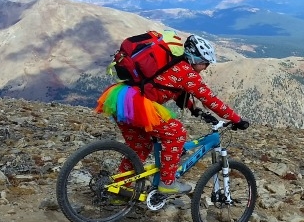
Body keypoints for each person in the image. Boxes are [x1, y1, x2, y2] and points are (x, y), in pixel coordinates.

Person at [96, 34, 249, 194]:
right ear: (195, 59)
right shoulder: (187, 73)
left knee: (139, 147)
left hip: (123, 99)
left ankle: (118, 190)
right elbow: (211, 100)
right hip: (139, 105)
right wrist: (237, 119)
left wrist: (193, 108)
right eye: (205, 63)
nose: (206, 67)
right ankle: (167, 183)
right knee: (176, 134)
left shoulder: (175, 65)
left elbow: (170, 89)